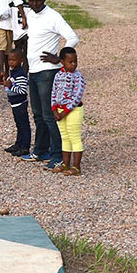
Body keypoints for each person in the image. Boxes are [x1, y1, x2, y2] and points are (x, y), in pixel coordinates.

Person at [20, 0, 79, 172]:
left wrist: (60, 58)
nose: (34, 3)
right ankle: (40, 150)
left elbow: (72, 37)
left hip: (47, 72)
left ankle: (57, 156)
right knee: (37, 114)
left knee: (49, 115)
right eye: (31, 0)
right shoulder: (30, 13)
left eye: (38, 0)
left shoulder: (53, 16)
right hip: (34, 71)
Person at [51, 46, 85, 176]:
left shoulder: (78, 77)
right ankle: (65, 164)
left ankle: (76, 167)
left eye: (75, 61)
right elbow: (54, 92)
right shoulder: (58, 75)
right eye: (70, 62)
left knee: (74, 137)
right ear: (62, 62)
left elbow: (77, 96)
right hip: (59, 111)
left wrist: (65, 112)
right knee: (65, 137)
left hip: (73, 111)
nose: (74, 64)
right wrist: (54, 109)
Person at [3, 48, 31, 157]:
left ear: (21, 60)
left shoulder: (20, 74)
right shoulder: (13, 72)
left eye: (14, 60)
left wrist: (10, 86)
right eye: (9, 60)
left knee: (23, 125)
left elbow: (22, 90)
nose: (11, 62)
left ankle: (25, 147)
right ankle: (18, 144)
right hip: (14, 103)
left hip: (20, 104)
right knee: (19, 124)